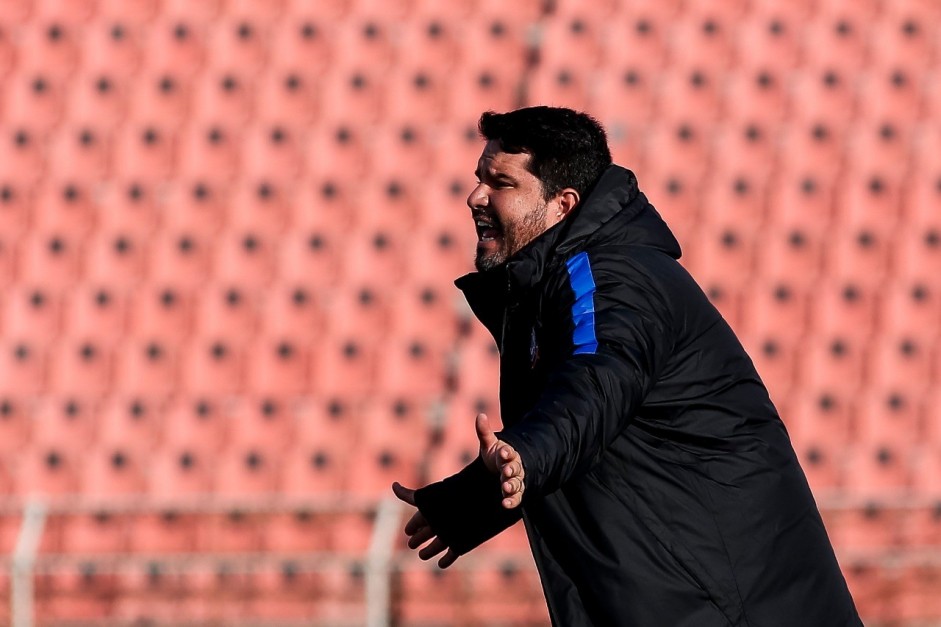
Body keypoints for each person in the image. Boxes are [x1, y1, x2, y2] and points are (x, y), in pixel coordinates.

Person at [392, 106, 862, 626]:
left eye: (500, 182)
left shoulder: (613, 278)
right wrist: (473, 501)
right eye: (479, 178)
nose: (476, 196)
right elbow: (592, 435)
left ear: (561, 204)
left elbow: (595, 385)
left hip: (735, 606)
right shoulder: (550, 288)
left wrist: (525, 455)